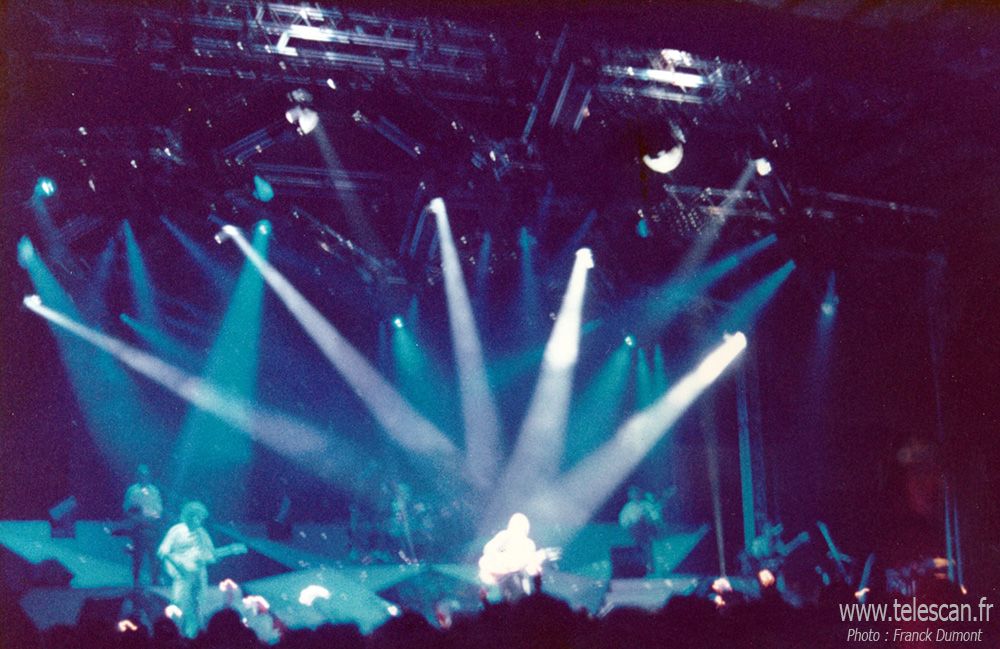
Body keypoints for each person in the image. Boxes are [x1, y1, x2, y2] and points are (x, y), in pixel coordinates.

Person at [157, 501, 217, 638]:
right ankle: (173, 635)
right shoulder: (176, 531)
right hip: (182, 575)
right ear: (189, 516)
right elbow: (163, 551)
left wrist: (208, 558)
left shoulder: (202, 534)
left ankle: (193, 637)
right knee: (178, 604)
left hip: (199, 574)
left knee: (197, 606)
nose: (199, 521)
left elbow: (211, 555)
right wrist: (178, 565)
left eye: (201, 518)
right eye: (196, 517)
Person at [478, 513, 559, 600]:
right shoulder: (504, 536)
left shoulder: (528, 544)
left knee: (519, 598)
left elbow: (527, 566)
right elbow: (488, 551)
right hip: (503, 577)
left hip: (518, 578)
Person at [122, 464, 163, 587]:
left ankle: (155, 579)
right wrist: (136, 518)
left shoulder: (154, 490)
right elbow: (127, 508)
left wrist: (155, 517)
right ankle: (136, 580)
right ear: (137, 476)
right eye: (141, 475)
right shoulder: (133, 491)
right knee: (138, 554)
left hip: (152, 526)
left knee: (153, 554)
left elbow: (158, 507)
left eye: (146, 475)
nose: (144, 477)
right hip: (139, 526)